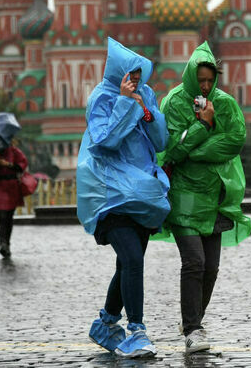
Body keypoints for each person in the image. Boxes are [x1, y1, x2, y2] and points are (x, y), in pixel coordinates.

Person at [153, 41, 251, 354]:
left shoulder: (224, 102)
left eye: (210, 80)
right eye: (201, 80)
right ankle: (193, 328)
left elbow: (234, 141)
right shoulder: (173, 102)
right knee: (194, 262)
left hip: (216, 195)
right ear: (191, 77)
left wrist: (197, 152)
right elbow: (172, 150)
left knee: (211, 269)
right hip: (183, 196)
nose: (206, 86)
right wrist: (202, 125)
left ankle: (194, 319)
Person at [77, 38, 171, 359]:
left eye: (138, 74)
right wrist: (123, 102)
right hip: (112, 194)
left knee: (127, 263)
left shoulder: (146, 95)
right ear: (116, 72)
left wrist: (147, 112)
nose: (134, 80)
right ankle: (137, 331)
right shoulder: (101, 98)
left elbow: (159, 142)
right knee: (132, 259)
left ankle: (105, 323)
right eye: (129, 74)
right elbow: (104, 141)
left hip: (143, 194)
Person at [0, 138, 28, 258]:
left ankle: (7, 243)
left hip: (12, 186)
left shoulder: (14, 152)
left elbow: (21, 166)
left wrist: (7, 164)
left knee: (8, 216)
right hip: (0, 186)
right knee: (2, 216)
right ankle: (2, 243)